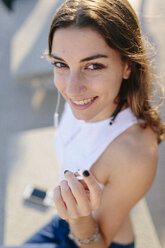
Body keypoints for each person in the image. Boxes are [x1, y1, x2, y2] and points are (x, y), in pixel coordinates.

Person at [24, 0, 165, 247]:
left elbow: (99, 242)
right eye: (61, 64)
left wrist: (78, 218)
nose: (72, 88)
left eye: (93, 65)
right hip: (65, 222)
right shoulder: (87, 100)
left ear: (127, 66)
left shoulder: (135, 154)